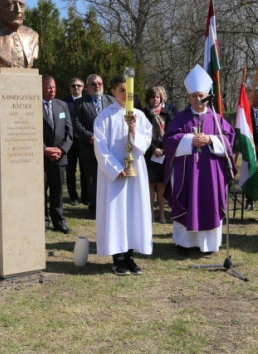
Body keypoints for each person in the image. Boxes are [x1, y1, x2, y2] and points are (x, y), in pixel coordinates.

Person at [163, 65, 236, 253]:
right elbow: (169, 140)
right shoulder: (181, 118)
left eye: (201, 95)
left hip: (211, 173)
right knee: (187, 201)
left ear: (208, 97)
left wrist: (211, 139)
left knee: (210, 203)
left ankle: (209, 245)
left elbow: (230, 139)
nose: (198, 99)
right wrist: (189, 140)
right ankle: (185, 244)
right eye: (194, 96)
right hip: (187, 174)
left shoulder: (217, 119)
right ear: (189, 98)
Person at [94, 74, 153, 275]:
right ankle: (117, 257)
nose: (125, 95)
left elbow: (145, 143)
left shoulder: (139, 115)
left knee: (133, 212)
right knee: (116, 212)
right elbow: (100, 145)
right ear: (113, 91)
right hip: (115, 175)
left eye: (129, 91)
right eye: (121, 90)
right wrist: (114, 167)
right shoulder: (104, 116)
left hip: (135, 171)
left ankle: (130, 255)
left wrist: (134, 129)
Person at [72, 74, 115, 216]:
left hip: (110, 149)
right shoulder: (80, 103)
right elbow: (76, 124)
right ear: (87, 87)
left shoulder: (111, 101)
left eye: (99, 83)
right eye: (93, 84)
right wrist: (90, 137)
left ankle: (109, 208)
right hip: (90, 148)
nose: (97, 86)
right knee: (93, 180)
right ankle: (95, 208)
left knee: (109, 177)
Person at [42, 75, 73, 233]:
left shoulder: (62, 105)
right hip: (41, 157)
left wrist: (62, 150)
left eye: (53, 87)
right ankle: (43, 221)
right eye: (48, 87)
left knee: (57, 191)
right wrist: (44, 149)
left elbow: (69, 132)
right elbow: (29, 133)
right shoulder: (32, 106)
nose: (52, 90)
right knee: (41, 190)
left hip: (60, 157)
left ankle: (59, 222)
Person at [142, 86, 173, 223]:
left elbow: (172, 133)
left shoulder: (167, 113)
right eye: (152, 97)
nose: (155, 99)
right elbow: (141, 134)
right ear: (148, 98)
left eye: (157, 97)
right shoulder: (143, 114)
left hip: (164, 153)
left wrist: (165, 149)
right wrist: (153, 149)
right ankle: (151, 214)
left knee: (161, 185)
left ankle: (161, 213)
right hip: (148, 152)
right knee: (150, 184)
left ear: (161, 98)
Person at [64, 77, 85, 205]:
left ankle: (86, 196)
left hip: (85, 142)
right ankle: (73, 196)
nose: (76, 88)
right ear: (70, 88)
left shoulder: (87, 102)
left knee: (85, 170)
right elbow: (63, 121)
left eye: (78, 85)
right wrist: (72, 134)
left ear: (83, 87)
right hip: (70, 142)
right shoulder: (64, 103)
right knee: (70, 171)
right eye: (73, 86)